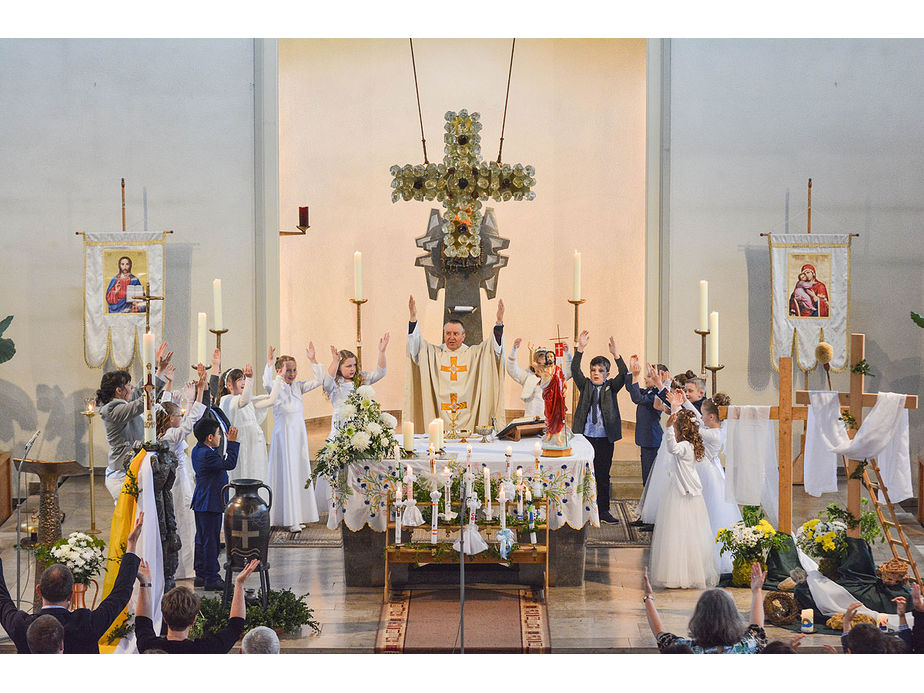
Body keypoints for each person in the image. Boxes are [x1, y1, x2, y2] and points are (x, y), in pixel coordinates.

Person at [0, 513, 144, 653]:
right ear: (71, 595)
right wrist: (131, 545)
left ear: (39, 590)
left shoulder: (21, 626)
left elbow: (1, 598)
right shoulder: (87, 624)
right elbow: (120, 594)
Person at [403, 294, 506, 433]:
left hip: (468, 412)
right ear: (444, 334)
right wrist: (413, 318)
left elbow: (492, 350)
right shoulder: (434, 354)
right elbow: (416, 348)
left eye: (456, 334)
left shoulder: (474, 354)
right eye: (448, 333)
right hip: (440, 412)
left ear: (463, 336)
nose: (451, 337)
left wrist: (499, 323)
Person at [648, 398, 718, 589]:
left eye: (677, 429)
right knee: (684, 533)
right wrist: (677, 408)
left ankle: (683, 575)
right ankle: (684, 573)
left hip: (682, 494)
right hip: (685, 491)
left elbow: (672, 448)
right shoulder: (693, 445)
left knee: (679, 532)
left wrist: (669, 427)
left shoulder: (686, 447)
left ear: (681, 431)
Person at [135, 558, 260, 653]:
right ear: (194, 620)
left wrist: (144, 582)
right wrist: (239, 583)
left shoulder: (148, 646)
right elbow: (235, 627)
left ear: (164, 619)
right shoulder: (207, 649)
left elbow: (143, 622)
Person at [98, 341, 171, 500]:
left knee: (136, 517)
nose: (132, 388)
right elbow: (140, 403)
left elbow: (138, 393)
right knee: (131, 518)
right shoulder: (111, 410)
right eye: (128, 385)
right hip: (122, 472)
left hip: (130, 467)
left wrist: (159, 370)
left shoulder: (120, 404)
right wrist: (152, 371)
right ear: (119, 390)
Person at [155, 368, 208, 589]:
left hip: (181, 477)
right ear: (169, 419)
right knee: (184, 520)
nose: (181, 416)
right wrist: (198, 394)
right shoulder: (171, 435)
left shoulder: (166, 431)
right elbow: (190, 423)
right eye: (177, 415)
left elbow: (168, 406)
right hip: (177, 483)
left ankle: (185, 565)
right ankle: (183, 568)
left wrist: (169, 386)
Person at [263, 345, 324, 532]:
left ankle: (298, 515)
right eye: (288, 370)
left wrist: (313, 360)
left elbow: (318, 380)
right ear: (279, 371)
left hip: (298, 436)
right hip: (284, 437)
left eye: (294, 370)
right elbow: (266, 383)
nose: (292, 373)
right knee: (286, 472)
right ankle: (288, 518)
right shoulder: (276, 387)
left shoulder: (298, 387)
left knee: (298, 472)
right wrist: (269, 363)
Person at [644, 562, 768, 653]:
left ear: (698, 618)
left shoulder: (686, 650)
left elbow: (659, 633)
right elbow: (757, 628)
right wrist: (757, 591)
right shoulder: (747, 646)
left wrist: (648, 597)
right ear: (734, 618)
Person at [571, 330, 627, 524]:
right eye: (593, 370)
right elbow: (575, 370)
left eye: (600, 371)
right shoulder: (585, 385)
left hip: (605, 438)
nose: (596, 374)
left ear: (606, 374)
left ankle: (603, 510)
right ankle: (582, 508)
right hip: (585, 437)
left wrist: (616, 354)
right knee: (585, 473)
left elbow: (624, 374)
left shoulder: (611, 387)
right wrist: (580, 350)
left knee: (603, 474)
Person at [191, 417, 240, 590]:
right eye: (219, 434)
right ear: (210, 437)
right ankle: (212, 577)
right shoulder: (207, 455)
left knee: (202, 538)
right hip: (209, 502)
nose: (221, 437)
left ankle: (201, 575)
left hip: (202, 501)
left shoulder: (198, 449)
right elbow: (229, 464)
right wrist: (233, 443)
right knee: (210, 540)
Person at [696, 396, 741, 575]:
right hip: (710, 468)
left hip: (706, 473)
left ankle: (709, 554)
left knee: (708, 511)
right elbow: (697, 421)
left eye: (703, 415)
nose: (701, 417)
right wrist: (684, 401)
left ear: (712, 417)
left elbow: (693, 428)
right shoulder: (717, 429)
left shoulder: (711, 434)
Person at [219, 363, 282, 483]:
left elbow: (272, 400)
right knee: (244, 474)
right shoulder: (227, 400)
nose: (243, 381)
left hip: (254, 444)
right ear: (229, 385)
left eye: (243, 378)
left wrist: (279, 377)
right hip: (242, 444)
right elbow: (243, 401)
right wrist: (249, 379)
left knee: (257, 474)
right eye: (239, 379)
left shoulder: (249, 401)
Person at [625, 358, 670, 488]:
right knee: (646, 473)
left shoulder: (656, 395)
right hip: (646, 439)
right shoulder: (649, 392)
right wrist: (631, 371)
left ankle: (650, 503)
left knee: (650, 475)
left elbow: (637, 398)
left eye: (650, 376)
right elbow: (631, 389)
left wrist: (635, 376)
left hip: (652, 439)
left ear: (659, 377)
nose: (645, 377)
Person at [505, 338, 572, 421]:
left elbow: (570, 371)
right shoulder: (528, 376)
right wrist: (514, 350)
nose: (542, 367)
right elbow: (512, 370)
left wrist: (567, 353)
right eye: (539, 364)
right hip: (531, 423)